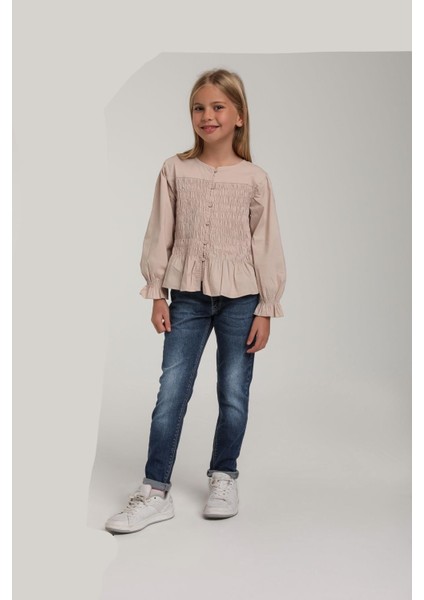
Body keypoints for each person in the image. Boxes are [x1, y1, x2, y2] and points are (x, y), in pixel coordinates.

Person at [105, 67, 287, 534]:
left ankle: (224, 476)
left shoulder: (255, 178)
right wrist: (157, 294)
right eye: (198, 108)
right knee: (171, 391)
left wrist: (266, 307)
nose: (208, 115)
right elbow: (159, 233)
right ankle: (155, 491)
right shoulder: (175, 169)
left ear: (239, 115)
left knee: (233, 393)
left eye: (218, 107)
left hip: (242, 300)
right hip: (185, 296)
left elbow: (266, 244)